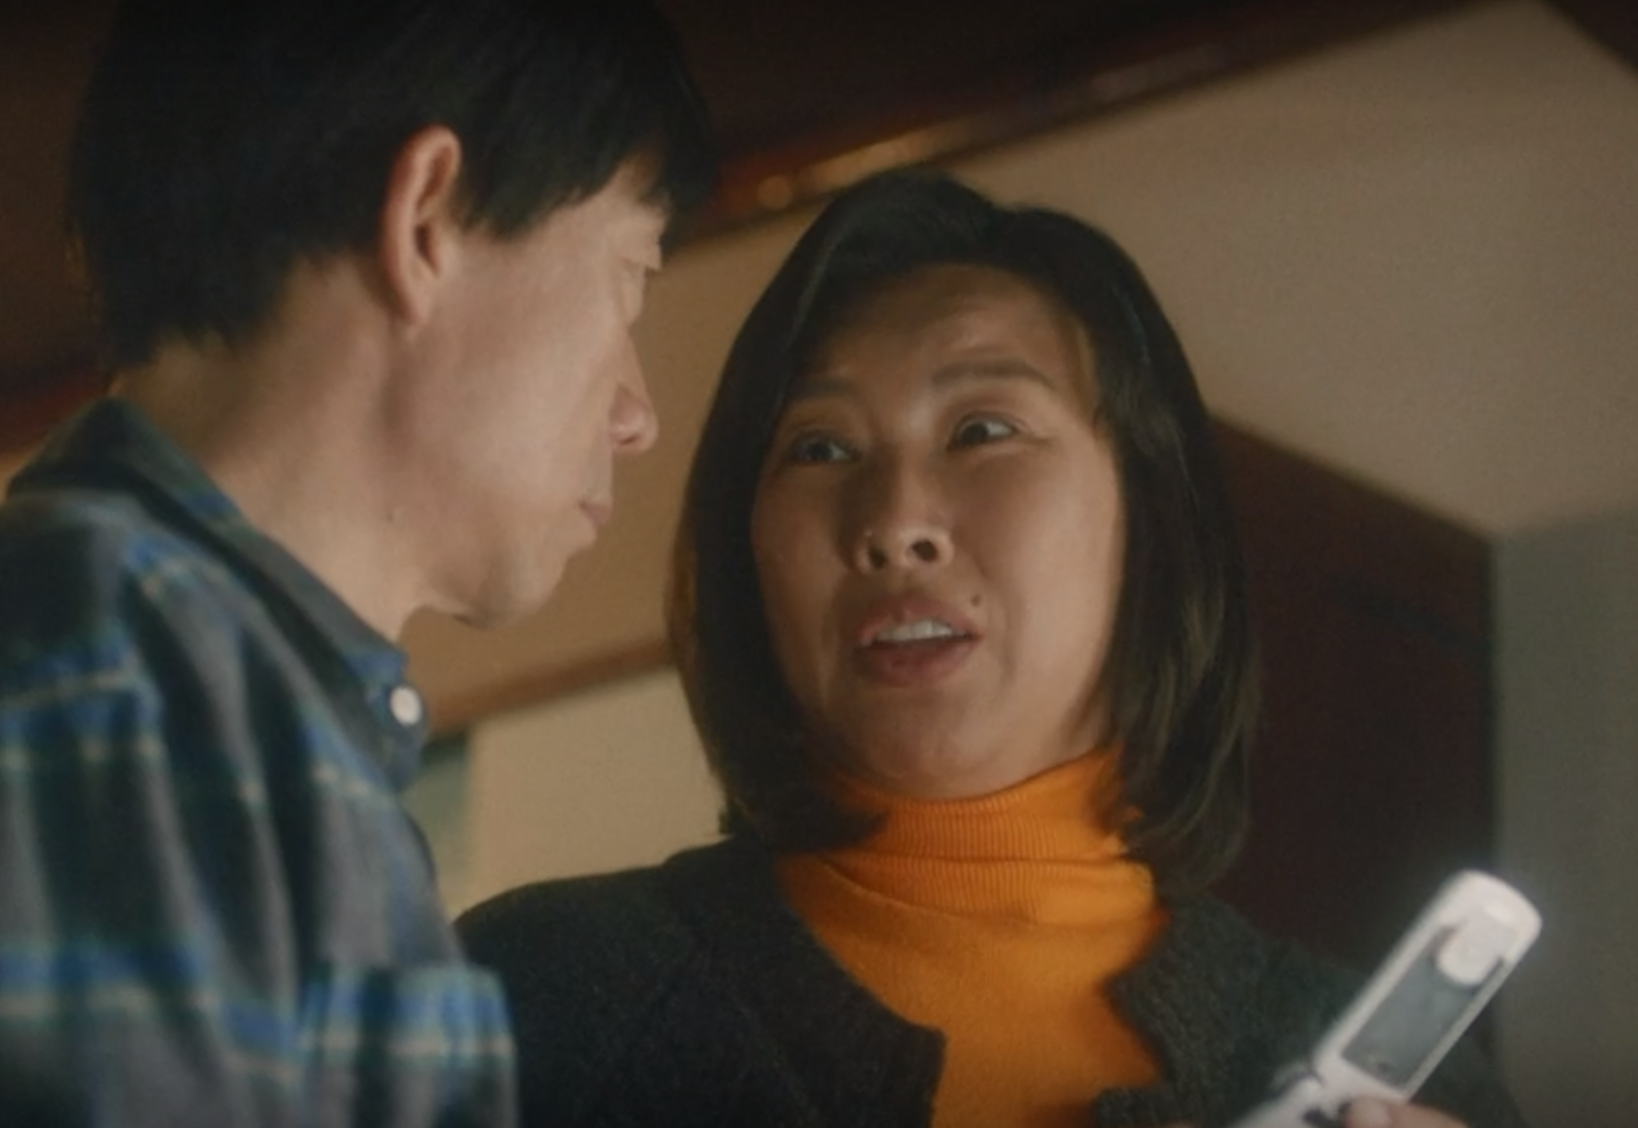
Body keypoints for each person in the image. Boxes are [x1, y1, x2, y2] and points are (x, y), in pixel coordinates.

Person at [457, 169, 1526, 1128]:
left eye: (982, 431)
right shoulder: (536, 1001)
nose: (893, 523)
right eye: (820, 448)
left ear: (1148, 520)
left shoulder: (1400, 1079)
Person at [0, 0, 713, 1124]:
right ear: (427, 219)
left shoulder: (166, 672)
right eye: (629, 275)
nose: (637, 414)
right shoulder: (120, 664)